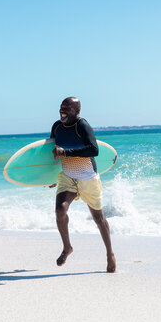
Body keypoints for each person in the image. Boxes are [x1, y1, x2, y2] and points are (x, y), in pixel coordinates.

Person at [49, 97, 116, 273]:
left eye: (67, 109)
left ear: (77, 111)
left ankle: (110, 254)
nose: (62, 112)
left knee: (98, 218)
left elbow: (94, 149)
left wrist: (67, 152)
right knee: (60, 210)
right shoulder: (57, 127)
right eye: (61, 108)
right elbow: (52, 154)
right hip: (67, 175)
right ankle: (67, 247)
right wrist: (48, 177)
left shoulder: (82, 125)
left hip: (88, 177)